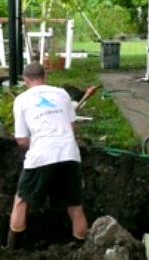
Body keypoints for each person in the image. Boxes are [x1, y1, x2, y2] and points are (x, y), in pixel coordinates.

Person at [7, 62, 88, 249]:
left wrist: (34, 145)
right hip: (69, 154)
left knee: (21, 201)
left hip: (41, 155)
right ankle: (81, 249)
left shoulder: (22, 100)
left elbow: (21, 139)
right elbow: (73, 127)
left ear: (25, 80)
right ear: (45, 77)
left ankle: (13, 249)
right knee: (75, 206)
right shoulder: (61, 94)